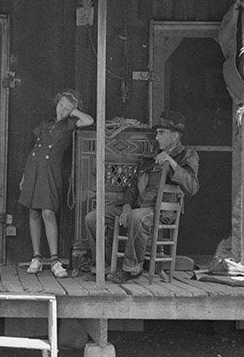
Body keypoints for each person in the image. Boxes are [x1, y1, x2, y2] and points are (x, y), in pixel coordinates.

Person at [84, 110, 200, 284]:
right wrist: (126, 206)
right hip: (138, 208)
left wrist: (172, 162)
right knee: (93, 217)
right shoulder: (151, 157)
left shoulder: (187, 155)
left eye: (162, 133)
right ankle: (103, 268)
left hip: (161, 211)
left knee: (137, 216)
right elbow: (132, 186)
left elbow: (193, 187)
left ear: (175, 135)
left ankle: (132, 269)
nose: (157, 138)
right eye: (157, 133)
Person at [18, 90, 93, 277]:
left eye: (66, 108)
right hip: (33, 169)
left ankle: (54, 260)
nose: (62, 110)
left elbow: (89, 120)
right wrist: (24, 176)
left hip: (51, 172)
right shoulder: (46, 124)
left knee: (48, 212)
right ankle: (36, 257)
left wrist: (73, 111)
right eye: (60, 105)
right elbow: (34, 148)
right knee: (33, 211)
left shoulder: (70, 125)